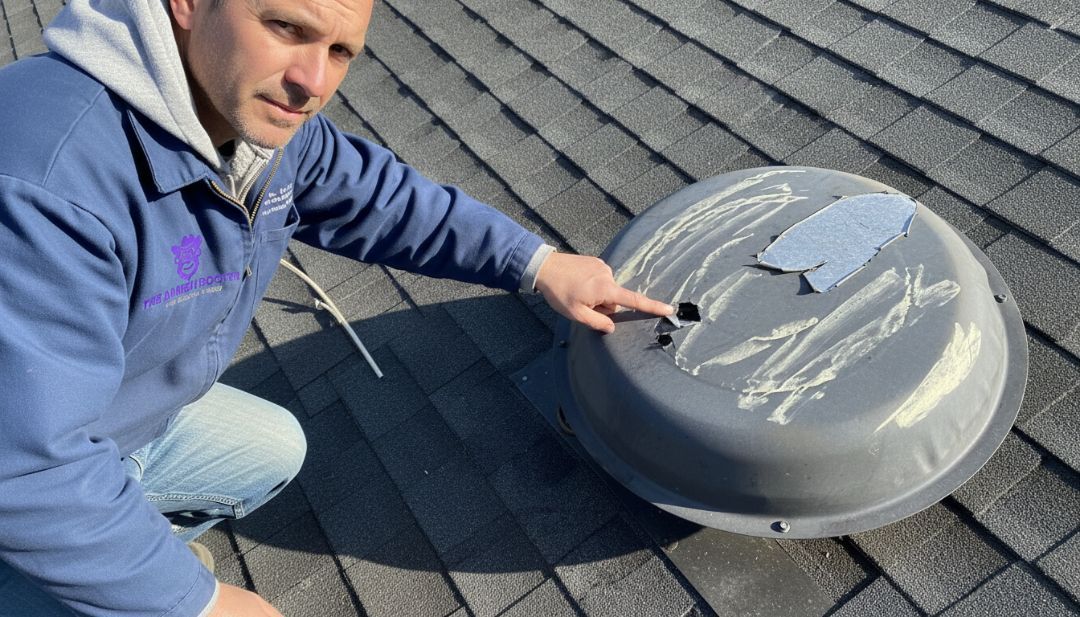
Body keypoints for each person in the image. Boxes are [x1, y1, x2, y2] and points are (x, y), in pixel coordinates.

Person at [0, 0, 672, 615]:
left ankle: (111, 551)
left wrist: (538, 263)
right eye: (286, 27)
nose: (313, 82)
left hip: (100, 422)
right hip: (27, 465)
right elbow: (26, 469)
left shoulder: (252, 121)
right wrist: (194, 602)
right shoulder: (44, 182)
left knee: (271, 447)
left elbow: (378, 197)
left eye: (342, 50)